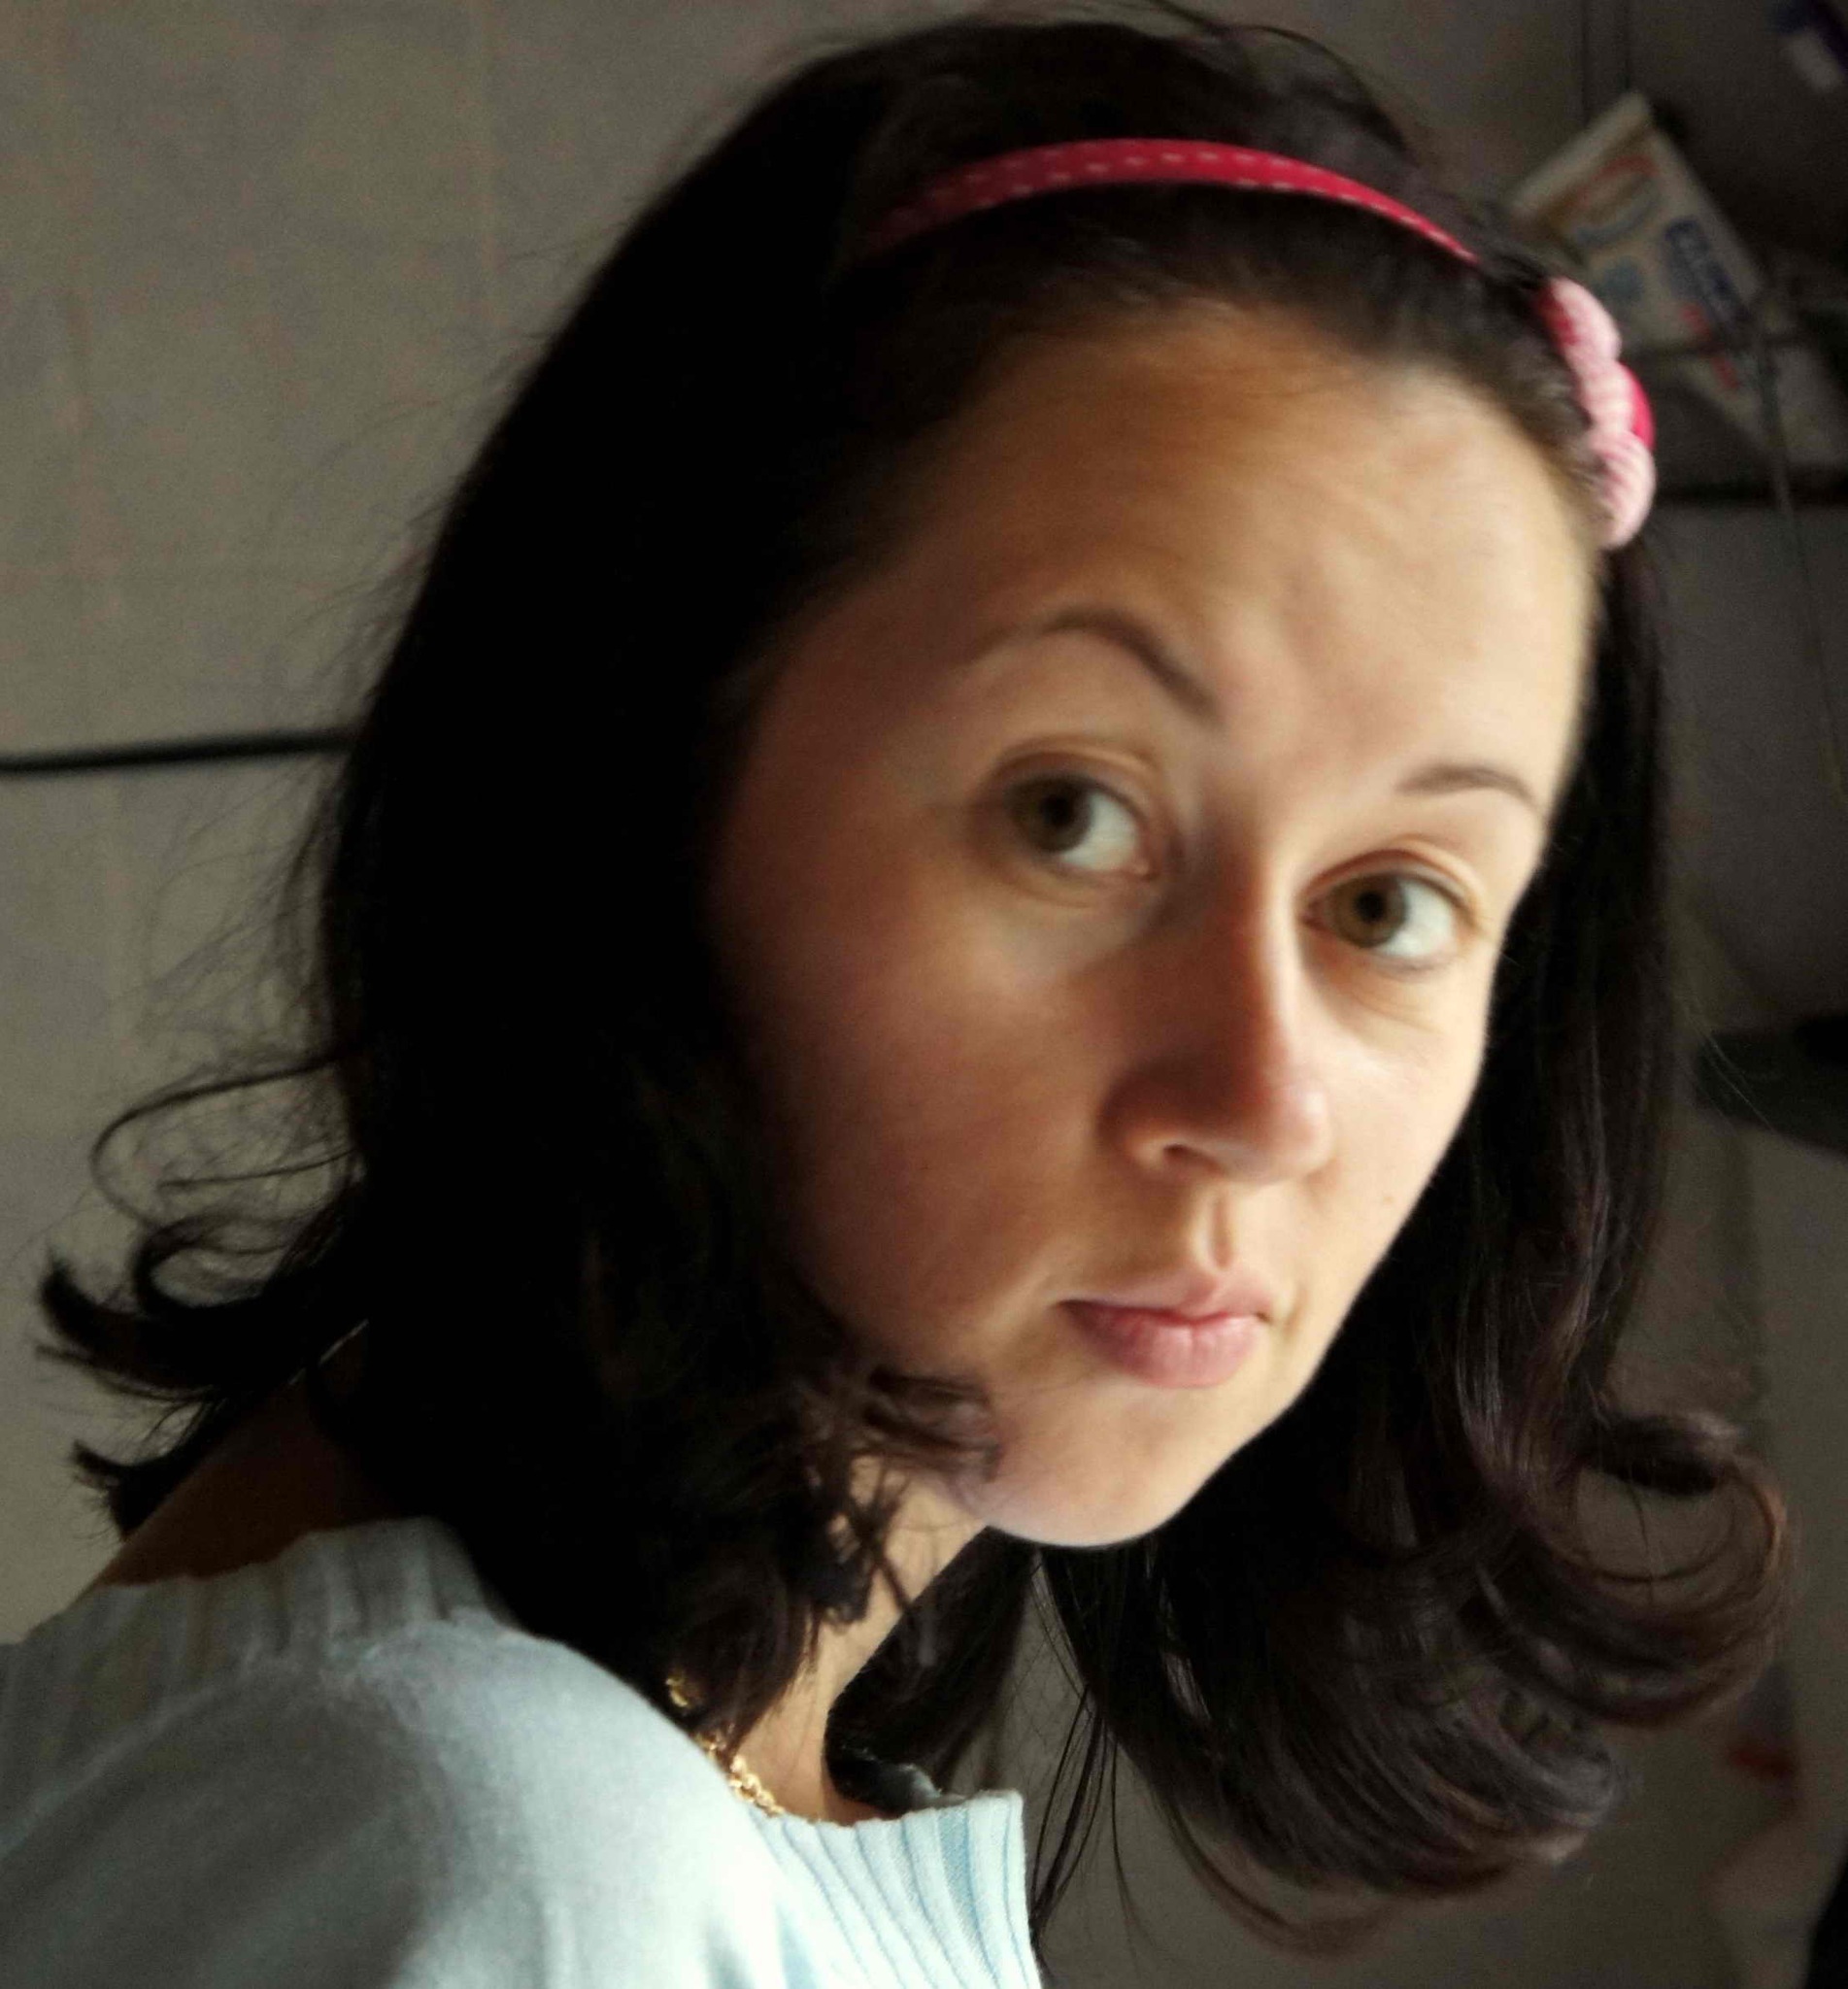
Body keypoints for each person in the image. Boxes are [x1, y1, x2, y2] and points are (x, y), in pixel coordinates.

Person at [0, 4, 1791, 1985]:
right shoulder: (518, 1874)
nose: (1265, 1097)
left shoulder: (519, 1734)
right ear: (630, 764)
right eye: (1070, 815)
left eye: (1388, 904)